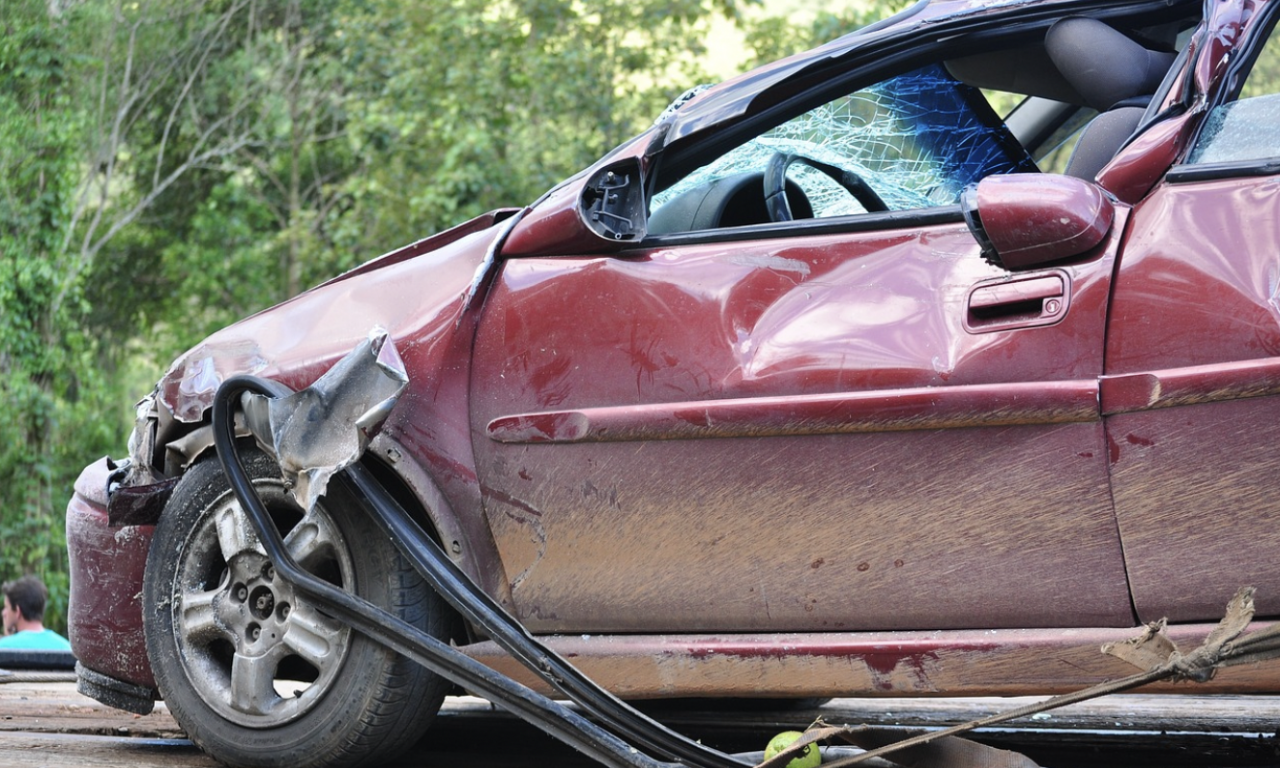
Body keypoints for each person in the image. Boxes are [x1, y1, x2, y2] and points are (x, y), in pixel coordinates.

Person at [0, 575, 71, 651]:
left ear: (17, 611)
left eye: (6, 607)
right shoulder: (67, 648)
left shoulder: (4, 647)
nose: (3, 613)